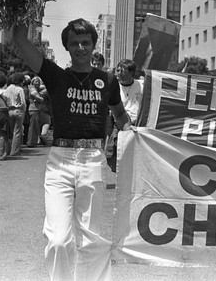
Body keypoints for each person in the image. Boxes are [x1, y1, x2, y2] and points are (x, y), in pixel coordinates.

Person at [13, 18, 131, 281]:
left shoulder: (108, 81)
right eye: (74, 43)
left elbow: (121, 116)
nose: (80, 48)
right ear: (66, 46)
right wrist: (22, 13)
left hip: (93, 161)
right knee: (58, 240)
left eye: (85, 42)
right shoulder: (56, 76)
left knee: (90, 239)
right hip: (60, 162)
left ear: (93, 45)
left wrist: (135, 133)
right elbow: (19, 42)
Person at [3, 71, 26, 156]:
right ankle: (15, 151)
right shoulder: (20, 89)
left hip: (9, 110)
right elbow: (23, 101)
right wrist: (24, 110)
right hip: (18, 110)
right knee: (17, 131)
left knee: (9, 131)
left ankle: (7, 150)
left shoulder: (8, 88)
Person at [26, 76, 45, 147]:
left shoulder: (37, 89)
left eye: (38, 81)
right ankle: (31, 143)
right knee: (33, 126)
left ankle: (33, 142)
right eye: (35, 81)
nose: (37, 82)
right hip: (33, 109)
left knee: (35, 126)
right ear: (32, 82)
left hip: (36, 109)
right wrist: (41, 99)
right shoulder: (32, 88)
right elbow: (34, 94)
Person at [0, 72, 10, 160]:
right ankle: (1, 154)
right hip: (3, 112)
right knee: (2, 133)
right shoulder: (5, 92)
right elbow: (9, 104)